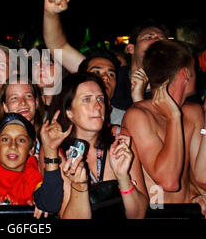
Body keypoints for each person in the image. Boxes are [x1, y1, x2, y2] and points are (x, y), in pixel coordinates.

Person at [122, 39, 206, 218]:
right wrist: (174, 117)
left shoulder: (194, 112)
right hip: (158, 214)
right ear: (185, 73)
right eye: (194, 69)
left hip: (189, 210)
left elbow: (204, 176)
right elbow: (168, 181)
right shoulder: (138, 115)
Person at [42, 0, 168, 112]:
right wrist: (51, 14)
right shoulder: (111, 76)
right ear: (131, 48)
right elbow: (58, 46)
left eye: (162, 39)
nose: (157, 41)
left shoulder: (174, 86)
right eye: (149, 37)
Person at [47, 72, 148, 219]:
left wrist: (123, 177)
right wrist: (79, 186)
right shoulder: (56, 150)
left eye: (100, 98)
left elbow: (138, 215)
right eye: (87, 99)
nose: (97, 106)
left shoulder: (119, 138)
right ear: (69, 112)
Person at [0, 76, 46, 154]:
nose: (23, 102)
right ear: (5, 107)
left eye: (28, 96)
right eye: (14, 98)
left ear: (36, 102)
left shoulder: (47, 140)